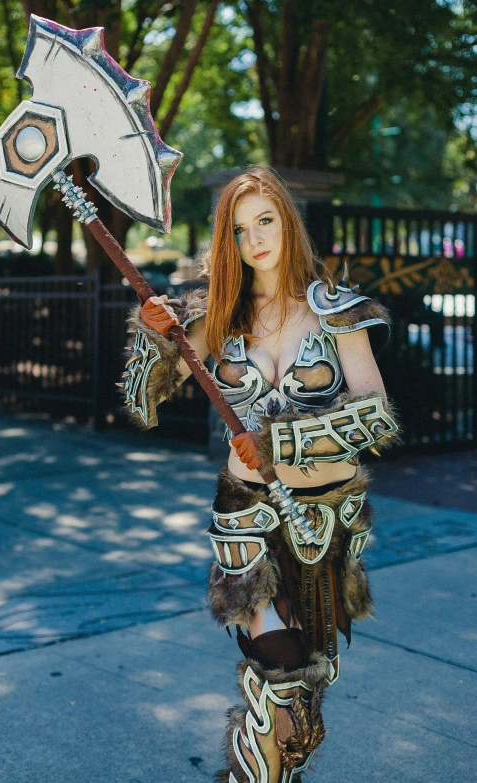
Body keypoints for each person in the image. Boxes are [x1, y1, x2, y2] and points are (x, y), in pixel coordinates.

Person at [120, 168, 399, 783]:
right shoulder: (213, 317)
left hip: (324, 521)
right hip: (244, 514)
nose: (254, 240)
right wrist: (152, 338)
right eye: (239, 231)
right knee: (276, 670)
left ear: (287, 224)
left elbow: (376, 418)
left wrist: (284, 442)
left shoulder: (336, 312)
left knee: (307, 698)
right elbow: (142, 406)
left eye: (264, 222)